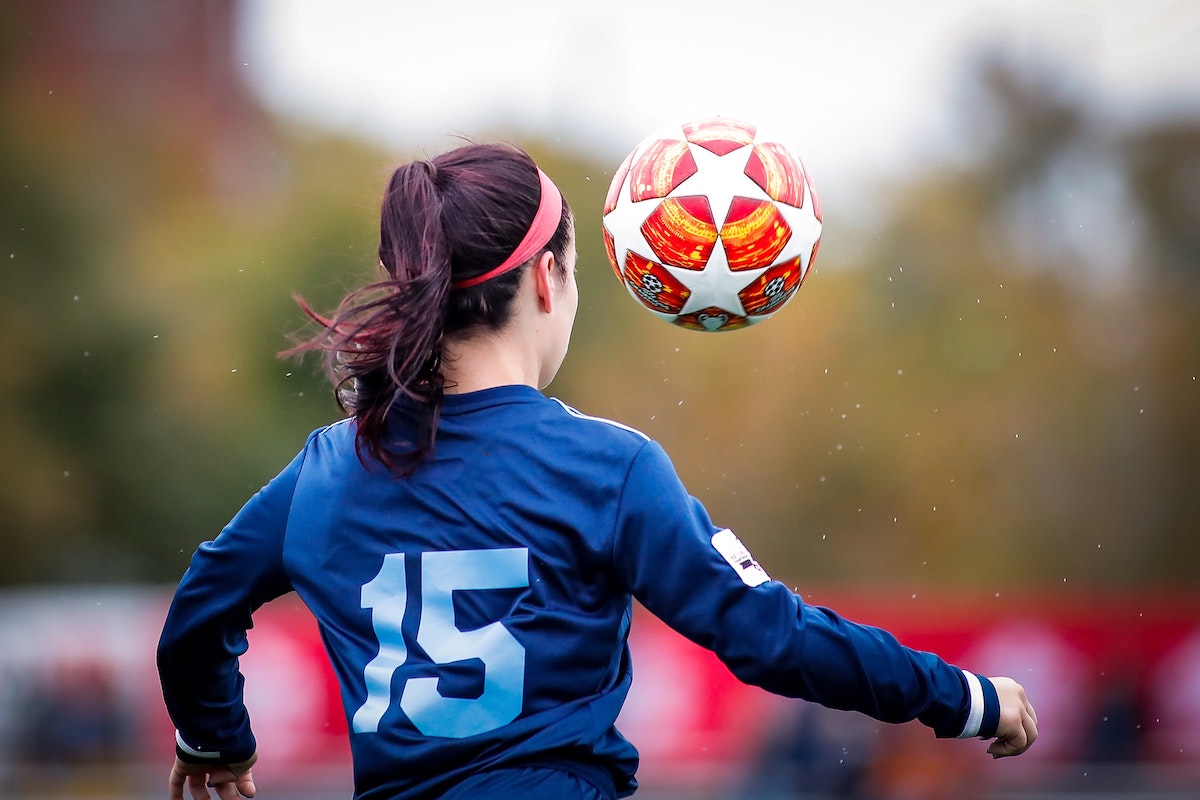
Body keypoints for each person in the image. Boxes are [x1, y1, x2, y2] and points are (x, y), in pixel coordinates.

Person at [157, 142, 1037, 800]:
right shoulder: (605, 468)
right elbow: (769, 635)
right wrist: (958, 696)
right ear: (547, 280)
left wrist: (215, 741)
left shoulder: (325, 470)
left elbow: (196, 616)